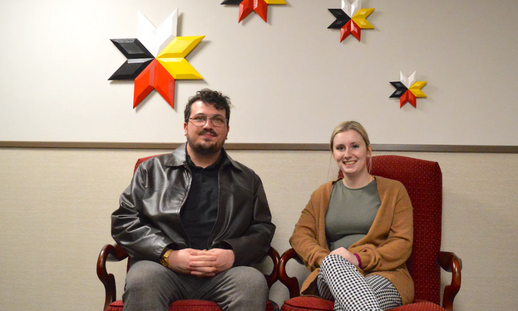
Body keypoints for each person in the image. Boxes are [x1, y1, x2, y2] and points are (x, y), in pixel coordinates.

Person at [111, 88, 276, 311]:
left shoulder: (248, 179)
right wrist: (167, 255)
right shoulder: (151, 170)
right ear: (185, 126)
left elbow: (263, 229)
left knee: (252, 282)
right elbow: (123, 221)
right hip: (162, 268)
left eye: (217, 120)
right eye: (199, 118)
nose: (208, 125)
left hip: (225, 274)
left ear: (227, 130)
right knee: (142, 280)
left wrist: (232, 254)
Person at [289, 121, 414, 311]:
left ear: (368, 150)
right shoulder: (322, 194)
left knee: (348, 302)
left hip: (385, 276)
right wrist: (327, 260)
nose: (347, 154)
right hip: (330, 275)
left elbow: (402, 244)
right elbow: (299, 236)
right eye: (340, 148)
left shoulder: (394, 191)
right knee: (336, 267)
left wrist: (357, 259)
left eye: (355, 146)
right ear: (333, 154)